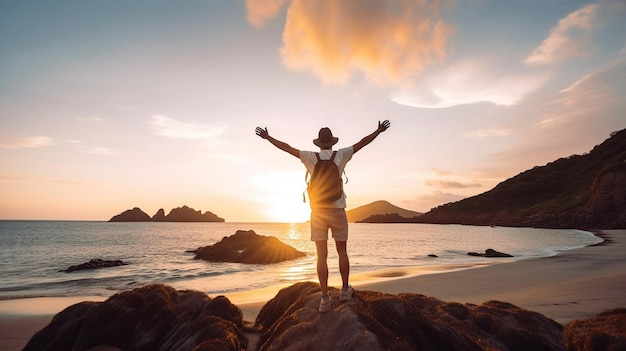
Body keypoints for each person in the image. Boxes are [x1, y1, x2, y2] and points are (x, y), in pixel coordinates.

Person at [255, 120, 391, 313]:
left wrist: (268, 138)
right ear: (332, 143)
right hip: (337, 211)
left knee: (322, 256)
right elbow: (362, 142)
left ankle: (325, 298)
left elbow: (286, 148)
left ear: (318, 143)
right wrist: (378, 130)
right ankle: (345, 290)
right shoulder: (341, 154)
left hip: (318, 212)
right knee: (342, 251)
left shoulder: (309, 157)